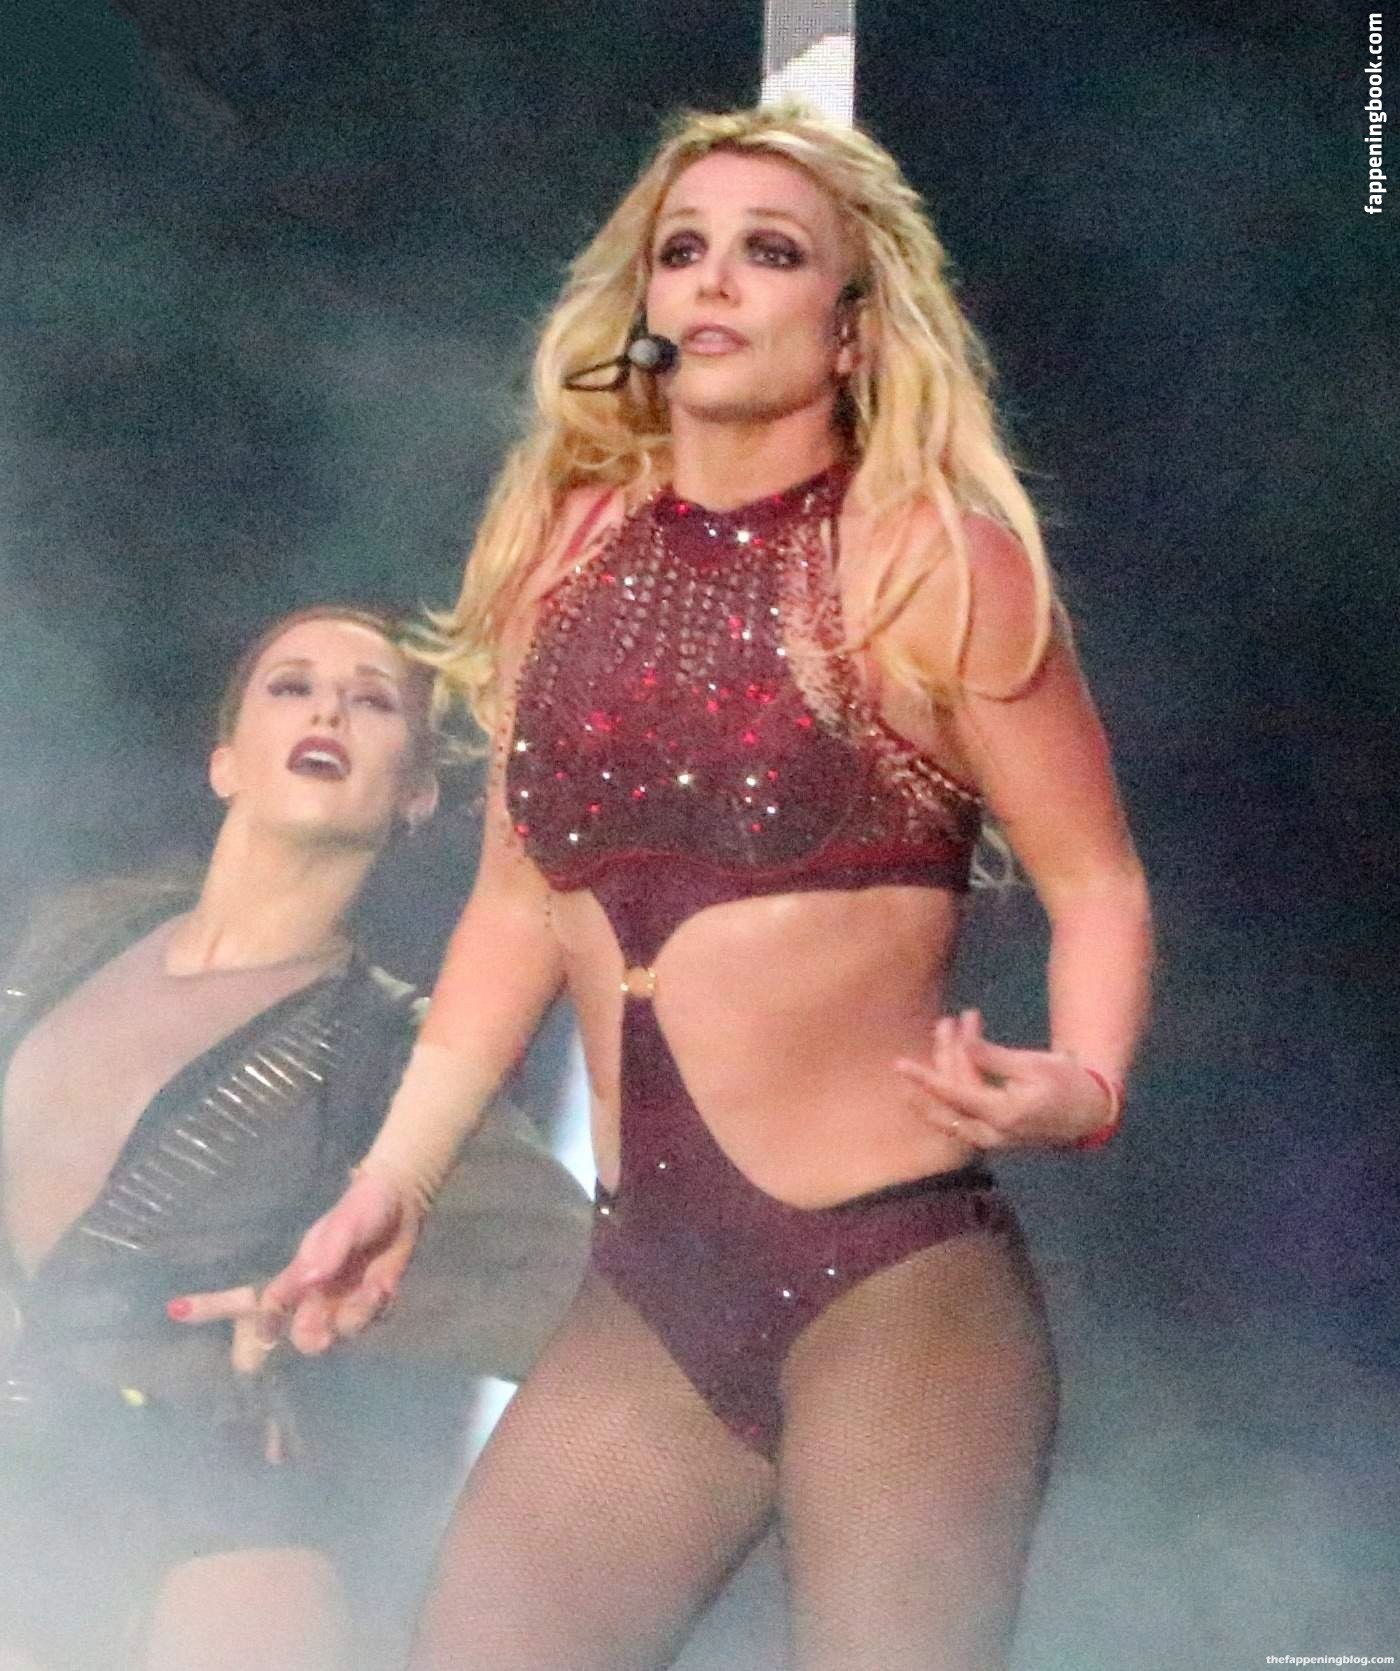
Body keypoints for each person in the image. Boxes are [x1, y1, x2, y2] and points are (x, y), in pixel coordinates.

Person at [264, 105, 1154, 1671]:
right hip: (650, 1301)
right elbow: (514, 907)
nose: (716, 280)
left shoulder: (927, 562)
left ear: (853, 328)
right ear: (645, 304)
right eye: (684, 250)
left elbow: (1101, 881)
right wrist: (393, 1182)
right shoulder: (559, 558)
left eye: (771, 251)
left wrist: (1083, 1082)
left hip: (895, 1285)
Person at [0, 606, 589, 1671]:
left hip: (204, 1535)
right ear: (224, 761)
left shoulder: (400, 1061)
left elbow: (604, 1312)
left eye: (373, 701)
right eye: (292, 686)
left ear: (417, 792)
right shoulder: (72, 929)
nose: (329, 710)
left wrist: (340, 1318)